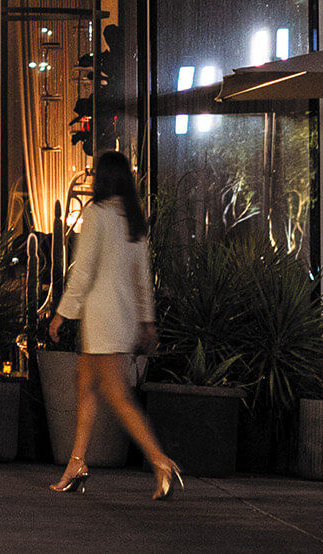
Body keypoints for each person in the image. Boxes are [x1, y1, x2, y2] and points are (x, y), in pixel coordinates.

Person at [44, 149, 183, 499]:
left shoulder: (97, 214)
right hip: (121, 319)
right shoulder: (132, 220)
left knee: (117, 396)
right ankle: (76, 462)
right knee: (86, 385)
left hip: (101, 319)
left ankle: (161, 461)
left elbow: (84, 269)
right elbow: (142, 277)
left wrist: (62, 312)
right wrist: (146, 320)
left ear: (102, 178)